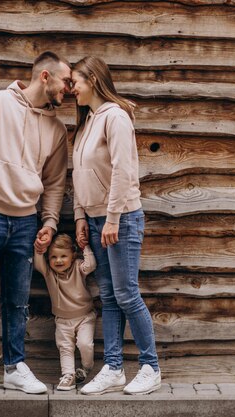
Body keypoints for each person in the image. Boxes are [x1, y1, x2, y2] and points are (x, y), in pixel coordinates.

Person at [0, 51, 71, 396]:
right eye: (66, 81)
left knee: (17, 300)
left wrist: (49, 221)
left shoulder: (57, 129)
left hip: (25, 223)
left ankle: (14, 367)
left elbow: (54, 183)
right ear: (45, 77)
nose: (70, 88)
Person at [70, 56, 161, 396]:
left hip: (120, 219)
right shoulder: (87, 122)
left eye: (75, 81)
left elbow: (125, 171)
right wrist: (81, 217)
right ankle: (113, 368)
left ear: (92, 79)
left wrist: (111, 218)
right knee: (108, 296)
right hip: (95, 221)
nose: (70, 89)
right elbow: (78, 175)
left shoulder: (116, 117)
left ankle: (151, 367)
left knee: (126, 293)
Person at [33, 234, 97, 391]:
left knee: (85, 344)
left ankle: (86, 367)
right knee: (65, 347)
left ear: (73, 255)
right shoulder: (49, 272)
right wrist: (40, 245)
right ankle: (68, 376)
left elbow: (91, 265)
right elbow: (38, 262)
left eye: (63, 256)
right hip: (62, 320)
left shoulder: (78, 267)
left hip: (85, 317)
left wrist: (85, 247)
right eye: (53, 257)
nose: (58, 260)